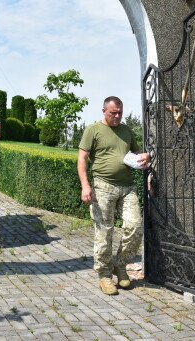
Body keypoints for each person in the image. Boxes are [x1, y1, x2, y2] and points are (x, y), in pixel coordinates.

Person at [77, 96, 150, 296]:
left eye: (120, 113)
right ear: (104, 111)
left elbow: (137, 154)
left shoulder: (126, 130)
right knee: (104, 232)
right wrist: (85, 186)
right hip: (102, 186)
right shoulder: (93, 130)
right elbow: (82, 159)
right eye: (113, 113)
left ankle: (120, 264)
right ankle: (104, 275)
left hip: (127, 187)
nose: (117, 116)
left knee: (135, 226)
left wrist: (144, 157)